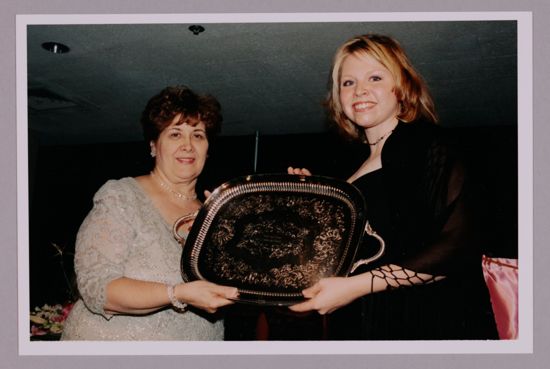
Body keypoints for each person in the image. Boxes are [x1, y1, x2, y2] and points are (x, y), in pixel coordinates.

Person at [288, 34, 499, 340]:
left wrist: (356, 287)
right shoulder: (349, 168)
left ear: (402, 87)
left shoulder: (427, 144)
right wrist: (310, 203)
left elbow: (461, 245)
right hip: (360, 325)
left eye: (375, 77)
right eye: (348, 83)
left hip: (421, 322)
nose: (360, 90)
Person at [61, 85, 238, 340]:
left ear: (207, 149)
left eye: (198, 135)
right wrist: (176, 293)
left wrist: (300, 206)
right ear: (154, 145)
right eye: (175, 134)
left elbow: (255, 283)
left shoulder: (217, 216)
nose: (188, 145)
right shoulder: (122, 196)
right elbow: (97, 288)